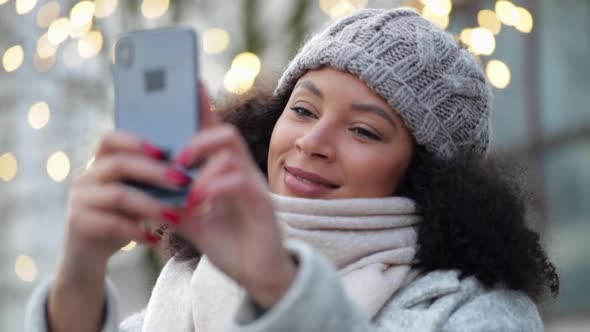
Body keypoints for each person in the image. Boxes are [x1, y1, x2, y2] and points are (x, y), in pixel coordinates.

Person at [26, 7, 558, 332]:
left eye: (364, 130)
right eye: (302, 109)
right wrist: (81, 268)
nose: (313, 141)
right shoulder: (188, 287)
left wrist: (275, 280)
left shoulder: (479, 314)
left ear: (428, 178)